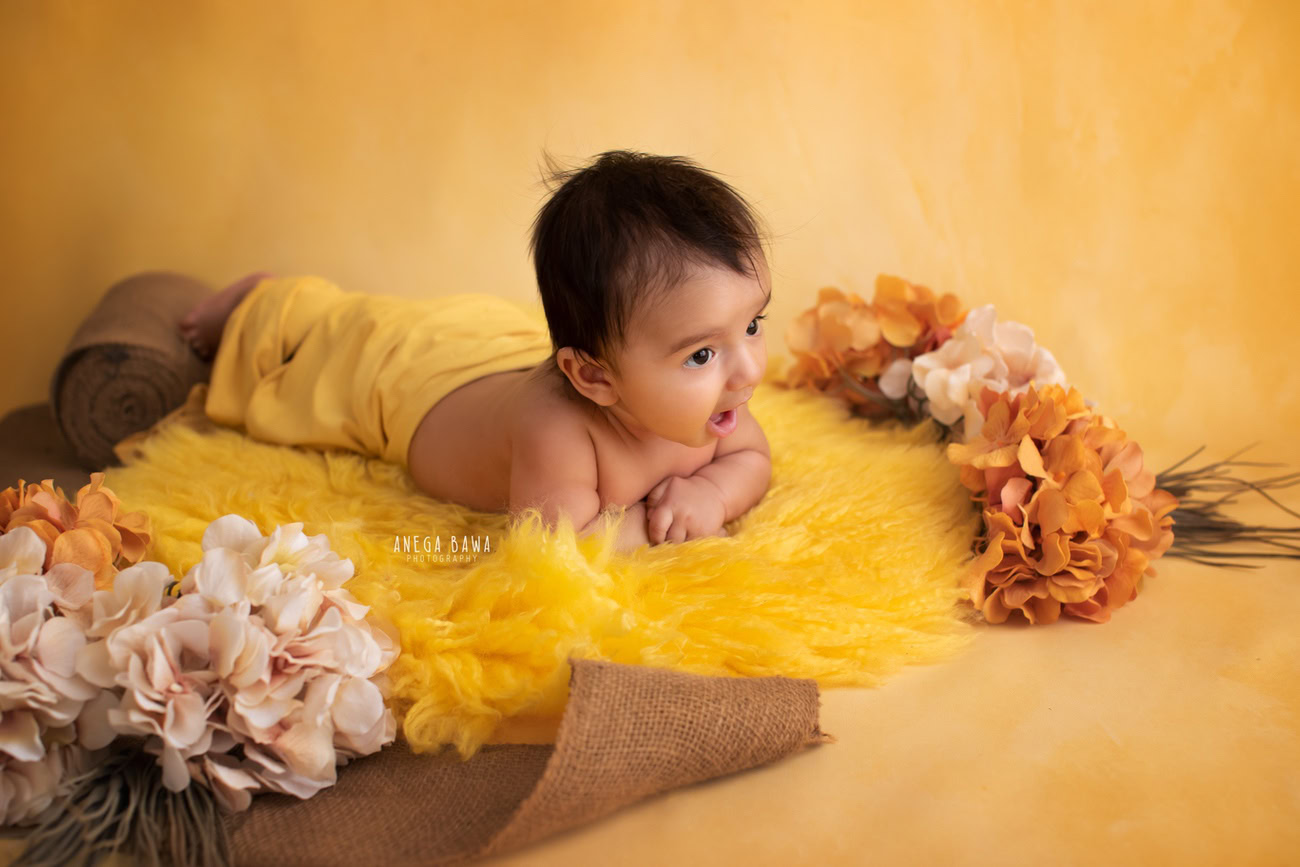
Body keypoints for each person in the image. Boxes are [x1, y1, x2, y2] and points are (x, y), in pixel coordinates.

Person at [177, 150, 772, 553]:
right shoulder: (561, 429)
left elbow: (752, 461)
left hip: (490, 350)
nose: (746, 371)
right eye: (701, 355)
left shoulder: (713, 400)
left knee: (427, 324)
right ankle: (261, 301)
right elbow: (554, 549)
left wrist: (712, 493)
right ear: (594, 378)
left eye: (752, 326)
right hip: (414, 386)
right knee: (343, 335)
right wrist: (664, 525)